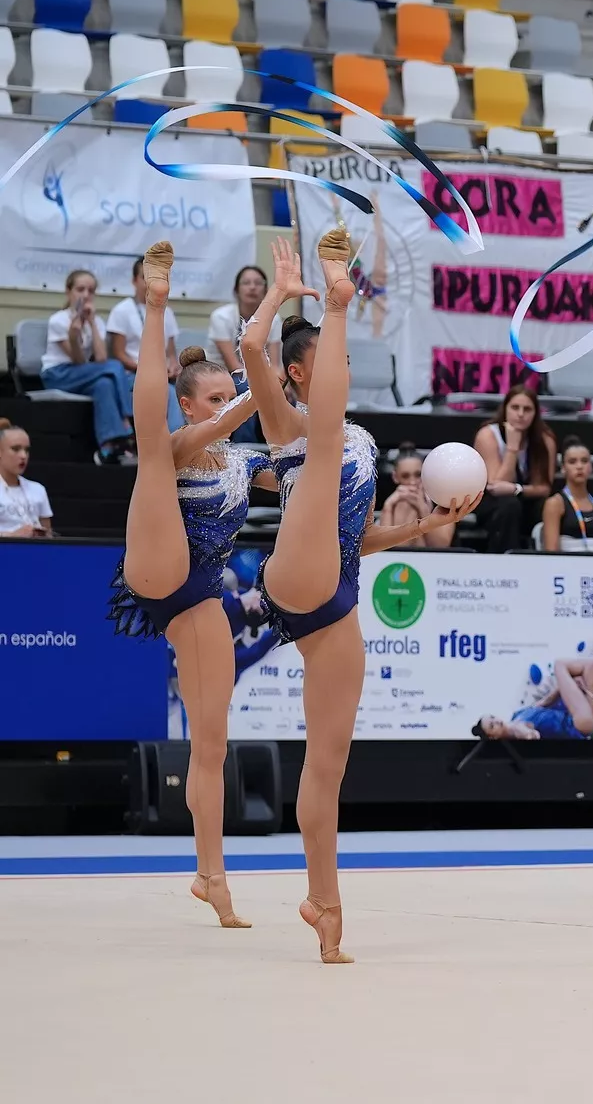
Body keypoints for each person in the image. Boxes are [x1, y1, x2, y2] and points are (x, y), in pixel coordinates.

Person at [242, 234, 479, 962]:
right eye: (329, 359)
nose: (340, 369)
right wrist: (286, 295)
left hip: (330, 593)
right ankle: (339, 293)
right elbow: (253, 351)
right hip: (291, 569)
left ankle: (325, 898)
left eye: (342, 356)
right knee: (318, 454)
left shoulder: (366, 444)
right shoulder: (290, 421)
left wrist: (422, 528)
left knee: (328, 760)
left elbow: (358, 539)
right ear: (299, 372)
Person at [106, 242, 279, 928]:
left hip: (198, 593)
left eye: (224, 396)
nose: (222, 407)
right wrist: (262, 370)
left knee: (212, 741)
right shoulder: (179, 441)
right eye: (210, 398)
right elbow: (228, 417)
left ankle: (212, 876)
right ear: (188, 402)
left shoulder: (241, 461)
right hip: (154, 561)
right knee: (151, 448)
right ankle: (155, 303)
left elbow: (304, 476)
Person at [41, 270, 136, 464]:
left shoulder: (97, 321)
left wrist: (91, 323)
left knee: (104, 384)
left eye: (91, 290)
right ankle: (127, 418)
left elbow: (100, 358)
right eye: (80, 289)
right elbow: (77, 360)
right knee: (114, 367)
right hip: (58, 373)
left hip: (84, 373)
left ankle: (108, 447)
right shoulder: (59, 320)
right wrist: (73, 336)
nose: (86, 295)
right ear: (69, 292)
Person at [473, 388, 557, 553]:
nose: (520, 414)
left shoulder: (545, 439)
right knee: (509, 506)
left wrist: (517, 489)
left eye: (527, 409)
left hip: (524, 496)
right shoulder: (488, 435)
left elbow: (544, 488)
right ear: (505, 409)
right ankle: (505, 562)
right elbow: (496, 485)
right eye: (515, 407)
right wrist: (512, 448)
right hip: (488, 499)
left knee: (549, 506)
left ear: (535, 413)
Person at [105, 256, 184, 429]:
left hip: (161, 376)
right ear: (134, 281)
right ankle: (174, 446)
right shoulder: (122, 310)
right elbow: (118, 354)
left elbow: (170, 353)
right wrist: (146, 370)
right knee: (168, 393)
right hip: (131, 375)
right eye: (145, 277)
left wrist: (172, 366)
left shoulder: (167, 312)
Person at [543, 437, 593, 553]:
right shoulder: (555, 504)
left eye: (584, 461)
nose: (579, 466)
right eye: (572, 462)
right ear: (563, 468)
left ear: (590, 467)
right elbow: (551, 552)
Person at [378, 447, 456, 548]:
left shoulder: (443, 502)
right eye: (405, 476)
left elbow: (440, 546)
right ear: (395, 477)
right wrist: (388, 506)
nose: (412, 482)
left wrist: (423, 509)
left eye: (418, 475)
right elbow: (388, 549)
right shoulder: (391, 504)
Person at [207, 265, 278, 374]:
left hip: (260, 376)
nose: (252, 287)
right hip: (221, 375)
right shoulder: (221, 317)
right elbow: (234, 366)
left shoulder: (274, 319)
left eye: (258, 283)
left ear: (266, 291)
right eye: (246, 283)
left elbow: (275, 366)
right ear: (236, 290)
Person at [0, 420, 53, 537]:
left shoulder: (38, 489)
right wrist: (13, 535)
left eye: (27, 450)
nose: (23, 456)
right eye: (15, 449)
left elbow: (49, 537)